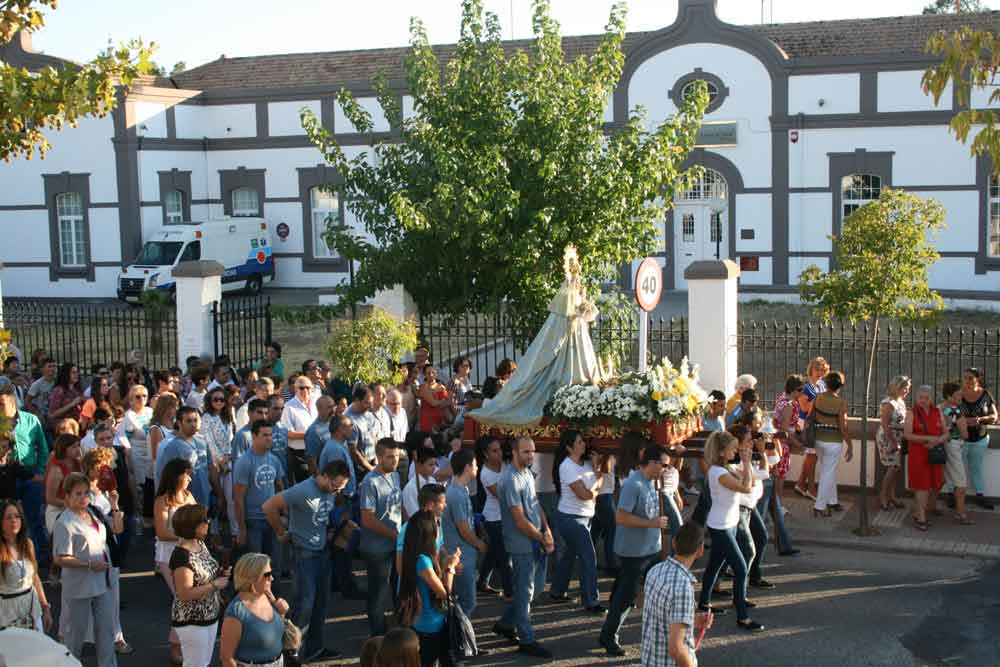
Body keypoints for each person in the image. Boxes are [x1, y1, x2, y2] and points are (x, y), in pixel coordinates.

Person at [263, 459, 350, 662]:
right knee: (304, 606)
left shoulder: (330, 491)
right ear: (324, 476)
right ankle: (291, 653)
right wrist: (280, 532)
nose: (336, 491)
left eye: (340, 488)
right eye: (335, 486)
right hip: (304, 556)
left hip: (323, 553)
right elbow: (268, 506)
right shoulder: (302, 490)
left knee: (321, 605)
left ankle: (314, 649)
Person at [599, 445, 671, 656]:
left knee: (637, 591)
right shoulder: (634, 484)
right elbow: (621, 517)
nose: (666, 469)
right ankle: (608, 635)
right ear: (653, 463)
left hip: (651, 549)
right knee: (626, 596)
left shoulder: (652, 482)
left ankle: (663, 634)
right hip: (634, 552)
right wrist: (652, 523)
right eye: (664, 465)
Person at [53, 472, 124, 666]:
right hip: (79, 587)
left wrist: (115, 505)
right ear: (67, 496)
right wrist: (90, 565)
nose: (83, 497)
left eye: (86, 493)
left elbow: (118, 529)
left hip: (103, 583)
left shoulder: (93, 513)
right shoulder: (64, 522)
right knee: (75, 636)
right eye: (78, 493)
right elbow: (60, 558)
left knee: (106, 632)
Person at [494, 436, 555, 658]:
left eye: (532, 451)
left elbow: (535, 504)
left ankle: (505, 624)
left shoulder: (528, 473)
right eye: (526, 452)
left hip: (536, 539)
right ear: (514, 452)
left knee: (533, 590)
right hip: (521, 544)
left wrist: (547, 529)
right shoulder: (509, 479)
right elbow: (519, 520)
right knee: (526, 591)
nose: (531, 455)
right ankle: (526, 639)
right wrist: (542, 537)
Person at [696, 431, 763, 632]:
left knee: (715, 564)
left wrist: (747, 467)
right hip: (721, 526)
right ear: (721, 452)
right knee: (740, 569)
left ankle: (703, 604)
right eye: (732, 449)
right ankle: (742, 617)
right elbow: (747, 488)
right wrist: (747, 463)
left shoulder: (726, 468)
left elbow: (751, 481)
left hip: (729, 523)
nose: (735, 451)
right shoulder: (719, 473)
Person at [82, 448, 133, 655]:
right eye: (101, 465)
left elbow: (118, 528)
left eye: (107, 465)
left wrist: (114, 504)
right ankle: (84, 636)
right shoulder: (82, 491)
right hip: (89, 549)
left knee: (112, 594)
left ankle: (116, 637)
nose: (105, 469)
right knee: (86, 596)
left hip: (108, 548)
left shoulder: (106, 491)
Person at [641, 523, 712, 667]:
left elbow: (660, 616)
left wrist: (691, 620)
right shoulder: (683, 587)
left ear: (674, 543)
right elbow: (676, 649)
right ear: (700, 551)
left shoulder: (655, 570)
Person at [549, 429, 605, 613]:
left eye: (583, 441)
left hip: (585, 516)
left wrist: (596, 470)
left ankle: (557, 591)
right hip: (570, 518)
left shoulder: (586, 463)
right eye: (579, 442)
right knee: (588, 557)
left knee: (570, 555)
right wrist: (598, 482)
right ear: (569, 447)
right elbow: (584, 495)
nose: (583, 444)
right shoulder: (567, 466)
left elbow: (594, 487)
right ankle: (591, 601)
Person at [397, 510, 460, 667]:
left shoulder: (412, 554)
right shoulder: (423, 560)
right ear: (429, 532)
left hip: (421, 621)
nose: (439, 527)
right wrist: (451, 568)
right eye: (437, 524)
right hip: (430, 625)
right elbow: (444, 593)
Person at [170, 504, 228, 667]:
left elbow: (204, 573)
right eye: (205, 520)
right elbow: (184, 594)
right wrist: (214, 585)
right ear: (193, 525)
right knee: (196, 664)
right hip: (192, 620)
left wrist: (220, 573)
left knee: (203, 662)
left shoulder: (199, 544)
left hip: (209, 615)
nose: (208, 523)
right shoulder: (182, 556)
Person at [154, 458, 197, 665]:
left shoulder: (189, 496)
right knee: (182, 597)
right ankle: (175, 645)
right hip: (169, 557)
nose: (190, 478)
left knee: (187, 599)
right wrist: (185, 536)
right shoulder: (162, 501)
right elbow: (162, 532)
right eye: (186, 474)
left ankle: (184, 643)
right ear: (176, 476)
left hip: (189, 555)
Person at [2, 381, 50, 570]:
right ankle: (10, 559)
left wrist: (39, 471)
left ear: (12, 399)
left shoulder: (31, 420)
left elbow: (43, 448)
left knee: (34, 517)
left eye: (1, 402)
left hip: (30, 474)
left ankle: (40, 558)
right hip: (7, 476)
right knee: (9, 519)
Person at [359, 438, 402, 636]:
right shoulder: (370, 482)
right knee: (378, 596)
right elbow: (367, 519)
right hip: (377, 549)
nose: (395, 460)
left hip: (395, 545)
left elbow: (398, 506)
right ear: (378, 457)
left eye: (397, 456)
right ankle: (377, 638)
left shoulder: (396, 476)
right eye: (390, 457)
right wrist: (395, 535)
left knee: (398, 590)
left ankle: (399, 635)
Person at [220, 552, 290, 667]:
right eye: (267, 574)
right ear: (252, 578)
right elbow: (226, 658)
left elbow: (275, 633)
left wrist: (282, 613)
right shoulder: (236, 612)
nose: (272, 578)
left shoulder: (268, 597)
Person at [442, 449, 488, 618]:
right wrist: (479, 544)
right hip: (460, 555)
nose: (477, 468)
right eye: (475, 465)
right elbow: (463, 528)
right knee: (467, 602)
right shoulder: (456, 494)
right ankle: (458, 632)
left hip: (461, 553)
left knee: (460, 601)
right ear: (468, 467)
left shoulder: (460, 490)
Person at [233, 420, 285, 561]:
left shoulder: (274, 460)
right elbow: (238, 498)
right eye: (265, 435)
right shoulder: (244, 461)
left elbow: (280, 488)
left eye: (270, 435)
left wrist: (284, 515)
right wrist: (242, 529)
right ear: (254, 436)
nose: (269, 438)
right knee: (256, 566)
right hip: (253, 521)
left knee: (275, 565)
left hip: (273, 519)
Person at [0, 499, 52, 632]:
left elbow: (35, 577)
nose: (14, 520)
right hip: (7, 612)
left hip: (32, 609)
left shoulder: (28, 544)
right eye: (8, 517)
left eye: (17, 516)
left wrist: (45, 606)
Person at [765, 376, 801, 557]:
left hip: (780, 441)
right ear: (794, 390)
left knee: (779, 474)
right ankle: (778, 503)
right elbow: (785, 428)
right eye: (800, 390)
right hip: (783, 444)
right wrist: (797, 444)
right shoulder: (789, 405)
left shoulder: (781, 399)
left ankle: (776, 505)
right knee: (781, 474)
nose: (801, 394)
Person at [156, 406, 218, 509]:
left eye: (195, 420)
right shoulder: (172, 447)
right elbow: (166, 477)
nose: (193, 424)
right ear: (179, 423)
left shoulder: (202, 442)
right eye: (189, 421)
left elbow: (211, 468)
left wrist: (219, 493)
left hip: (205, 498)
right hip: (183, 502)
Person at [904, 385, 947, 531]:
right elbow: (908, 435)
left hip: (934, 454)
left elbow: (946, 433)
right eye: (920, 397)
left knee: (935, 484)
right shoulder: (911, 413)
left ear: (931, 398)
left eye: (926, 398)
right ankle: (921, 517)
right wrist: (928, 439)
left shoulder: (937, 412)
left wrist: (937, 441)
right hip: (918, 455)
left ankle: (919, 511)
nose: (923, 400)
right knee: (922, 486)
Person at [812, 371, 853, 517]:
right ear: (840, 386)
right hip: (834, 442)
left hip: (818, 439)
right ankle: (819, 506)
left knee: (828, 471)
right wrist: (850, 444)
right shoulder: (841, 403)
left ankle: (833, 501)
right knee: (827, 473)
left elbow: (813, 417)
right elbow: (843, 426)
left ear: (826, 384)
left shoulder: (818, 398)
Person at [476, 436, 511, 598]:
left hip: (505, 516)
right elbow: (502, 496)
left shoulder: (506, 464)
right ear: (486, 454)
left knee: (493, 553)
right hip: (494, 519)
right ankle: (510, 592)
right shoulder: (485, 473)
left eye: (500, 449)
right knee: (504, 556)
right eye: (494, 451)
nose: (499, 453)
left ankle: (482, 582)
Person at [959, 367, 997, 509]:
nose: (967, 381)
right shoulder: (958, 395)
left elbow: (994, 416)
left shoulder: (985, 395)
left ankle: (980, 496)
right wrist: (963, 420)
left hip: (980, 439)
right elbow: (947, 413)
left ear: (978, 379)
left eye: (970, 378)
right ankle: (952, 496)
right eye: (965, 378)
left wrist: (980, 419)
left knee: (976, 468)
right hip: (960, 439)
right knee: (957, 469)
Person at [794, 357, 830, 501]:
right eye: (817, 369)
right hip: (807, 423)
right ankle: (810, 489)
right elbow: (804, 407)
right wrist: (820, 400)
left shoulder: (822, 384)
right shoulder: (805, 386)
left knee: (813, 456)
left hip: (818, 422)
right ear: (811, 369)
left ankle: (800, 484)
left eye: (823, 370)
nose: (820, 373)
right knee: (812, 456)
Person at [118, 384, 153, 530]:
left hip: (151, 451)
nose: (142, 399)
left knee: (151, 485)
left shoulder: (151, 411)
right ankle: (139, 517)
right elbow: (124, 436)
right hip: (138, 452)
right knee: (140, 486)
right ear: (131, 399)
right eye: (138, 396)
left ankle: (150, 515)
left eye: (144, 396)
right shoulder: (129, 415)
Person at [941, 381, 974, 524]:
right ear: (949, 396)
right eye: (958, 395)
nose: (961, 397)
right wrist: (964, 424)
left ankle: (929, 507)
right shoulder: (956, 411)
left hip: (942, 446)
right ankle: (961, 514)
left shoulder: (939, 408)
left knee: (941, 479)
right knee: (961, 483)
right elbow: (965, 434)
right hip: (954, 446)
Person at [877, 376, 911, 511]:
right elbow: (885, 425)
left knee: (895, 467)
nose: (907, 391)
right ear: (897, 387)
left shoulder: (900, 401)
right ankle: (883, 495)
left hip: (898, 437)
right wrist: (892, 442)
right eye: (905, 388)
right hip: (888, 437)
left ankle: (891, 495)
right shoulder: (888, 403)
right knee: (893, 467)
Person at [281, 375, 317, 485]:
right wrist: (310, 435)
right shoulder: (288, 407)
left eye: (308, 387)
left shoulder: (316, 403)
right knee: (305, 485)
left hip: (317, 451)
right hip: (300, 454)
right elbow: (288, 433)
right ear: (295, 389)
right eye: (302, 388)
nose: (305, 390)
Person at [43, 433, 82, 534]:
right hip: (58, 510)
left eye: (78, 446)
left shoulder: (78, 464)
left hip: (76, 509)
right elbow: (50, 498)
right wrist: (69, 504)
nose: (78, 449)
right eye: (74, 447)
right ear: (64, 449)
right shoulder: (56, 470)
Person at [345, 385, 378, 478]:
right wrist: (370, 468)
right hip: (358, 469)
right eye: (367, 403)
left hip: (373, 462)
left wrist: (376, 459)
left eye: (371, 403)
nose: (370, 406)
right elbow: (353, 451)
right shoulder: (349, 420)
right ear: (357, 400)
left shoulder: (369, 414)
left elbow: (374, 437)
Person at [402, 446, 439, 520]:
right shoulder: (411, 487)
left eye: (435, 464)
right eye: (430, 465)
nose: (434, 467)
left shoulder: (432, 480)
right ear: (419, 465)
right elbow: (412, 514)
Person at [47, 362, 84, 432]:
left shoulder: (77, 390)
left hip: (77, 423)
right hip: (63, 426)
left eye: (77, 372)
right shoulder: (59, 390)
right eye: (73, 372)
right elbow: (52, 414)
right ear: (66, 374)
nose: (77, 375)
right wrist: (72, 404)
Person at [303, 396, 335, 473]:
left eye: (334, 406)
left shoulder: (334, 423)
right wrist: (319, 477)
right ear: (319, 409)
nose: (333, 410)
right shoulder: (313, 432)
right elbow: (311, 461)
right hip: (327, 475)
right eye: (329, 407)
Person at [24, 356, 57, 425]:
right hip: (42, 416)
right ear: (42, 369)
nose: (52, 369)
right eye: (49, 366)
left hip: (55, 413)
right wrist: (36, 414)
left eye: (54, 366)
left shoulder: (58, 381)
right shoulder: (37, 384)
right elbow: (27, 401)